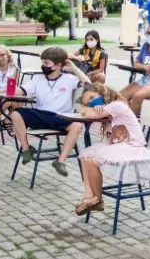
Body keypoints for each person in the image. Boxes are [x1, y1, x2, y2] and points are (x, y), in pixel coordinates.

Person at [73, 83, 150, 216]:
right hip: (122, 145)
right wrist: (89, 107)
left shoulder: (116, 105)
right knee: (84, 157)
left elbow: (91, 114)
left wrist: (84, 107)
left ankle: (97, 199)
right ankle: (89, 196)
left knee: (92, 161)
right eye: (89, 102)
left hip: (132, 146)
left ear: (103, 93)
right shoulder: (109, 107)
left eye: (93, 97)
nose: (92, 102)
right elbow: (91, 112)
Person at [10, 47, 90, 175]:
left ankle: (61, 161)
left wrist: (74, 68)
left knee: (77, 125)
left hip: (60, 116)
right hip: (41, 115)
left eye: (46, 63)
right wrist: (12, 74)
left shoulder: (69, 79)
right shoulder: (38, 79)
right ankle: (26, 149)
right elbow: (15, 92)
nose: (43, 66)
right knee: (15, 113)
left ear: (58, 65)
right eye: (43, 62)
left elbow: (88, 85)